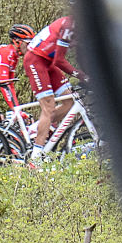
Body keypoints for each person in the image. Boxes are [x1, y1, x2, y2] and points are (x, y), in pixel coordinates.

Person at [23, 14, 77, 151]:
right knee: (49, 107)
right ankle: (36, 156)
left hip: (48, 62)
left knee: (71, 100)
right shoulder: (69, 25)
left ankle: (37, 128)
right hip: (35, 60)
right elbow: (59, 60)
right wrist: (82, 76)